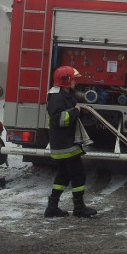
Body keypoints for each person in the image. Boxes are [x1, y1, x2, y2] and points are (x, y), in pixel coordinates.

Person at [44, 65, 97, 218]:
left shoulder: (62, 95)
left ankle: (52, 207)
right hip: (65, 145)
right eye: (73, 79)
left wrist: (81, 111)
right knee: (79, 175)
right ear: (65, 80)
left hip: (62, 143)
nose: (75, 82)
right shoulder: (57, 98)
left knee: (63, 175)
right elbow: (59, 119)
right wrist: (76, 111)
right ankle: (79, 208)